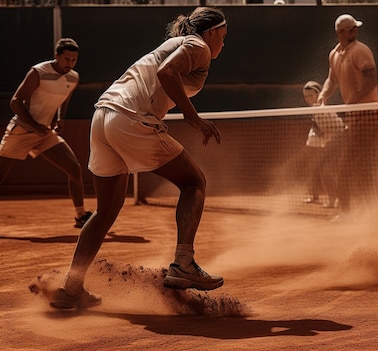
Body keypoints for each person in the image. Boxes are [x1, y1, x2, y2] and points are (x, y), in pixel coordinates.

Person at [49, 7, 227, 310]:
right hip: (130, 118)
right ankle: (183, 263)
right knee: (193, 181)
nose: (223, 43)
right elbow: (166, 73)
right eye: (223, 37)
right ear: (211, 33)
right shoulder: (198, 46)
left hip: (103, 116)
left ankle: (71, 288)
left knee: (104, 212)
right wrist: (193, 118)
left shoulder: (178, 45)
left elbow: (163, 76)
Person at [0, 38, 92, 228]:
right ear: (56, 56)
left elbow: (64, 100)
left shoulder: (73, 77)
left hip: (44, 133)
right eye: (66, 59)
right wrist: (34, 126)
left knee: (74, 168)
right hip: (21, 131)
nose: (70, 64)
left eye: (74, 60)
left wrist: (60, 118)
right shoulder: (38, 72)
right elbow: (15, 102)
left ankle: (81, 215)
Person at [316, 14, 378, 219]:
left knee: (345, 167)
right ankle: (372, 210)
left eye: (355, 28)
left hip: (368, 116)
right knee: (362, 167)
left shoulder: (361, 51)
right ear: (340, 32)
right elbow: (331, 79)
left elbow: (371, 80)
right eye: (351, 29)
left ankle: (347, 213)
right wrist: (323, 96)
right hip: (353, 118)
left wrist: (355, 98)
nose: (355, 31)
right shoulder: (334, 54)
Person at [302, 80, 344, 208]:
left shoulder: (325, 110)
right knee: (314, 167)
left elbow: (339, 129)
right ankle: (315, 195)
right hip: (325, 140)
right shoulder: (315, 110)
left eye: (311, 95)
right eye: (306, 96)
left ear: (318, 94)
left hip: (338, 140)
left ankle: (335, 198)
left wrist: (328, 141)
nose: (308, 99)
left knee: (328, 170)